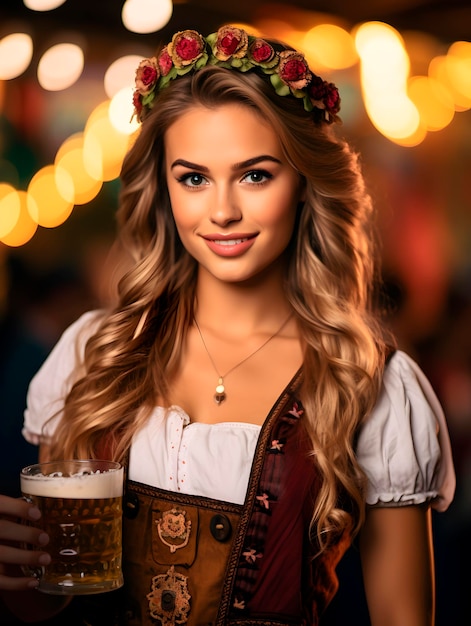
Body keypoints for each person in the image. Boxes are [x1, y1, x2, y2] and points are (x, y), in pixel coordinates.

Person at [0, 25, 455, 626]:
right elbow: (48, 601)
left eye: (255, 175)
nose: (221, 211)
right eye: (193, 177)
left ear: (303, 185)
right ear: (163, 189)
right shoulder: (95, 352)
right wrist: (19, 578)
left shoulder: (370, 385)